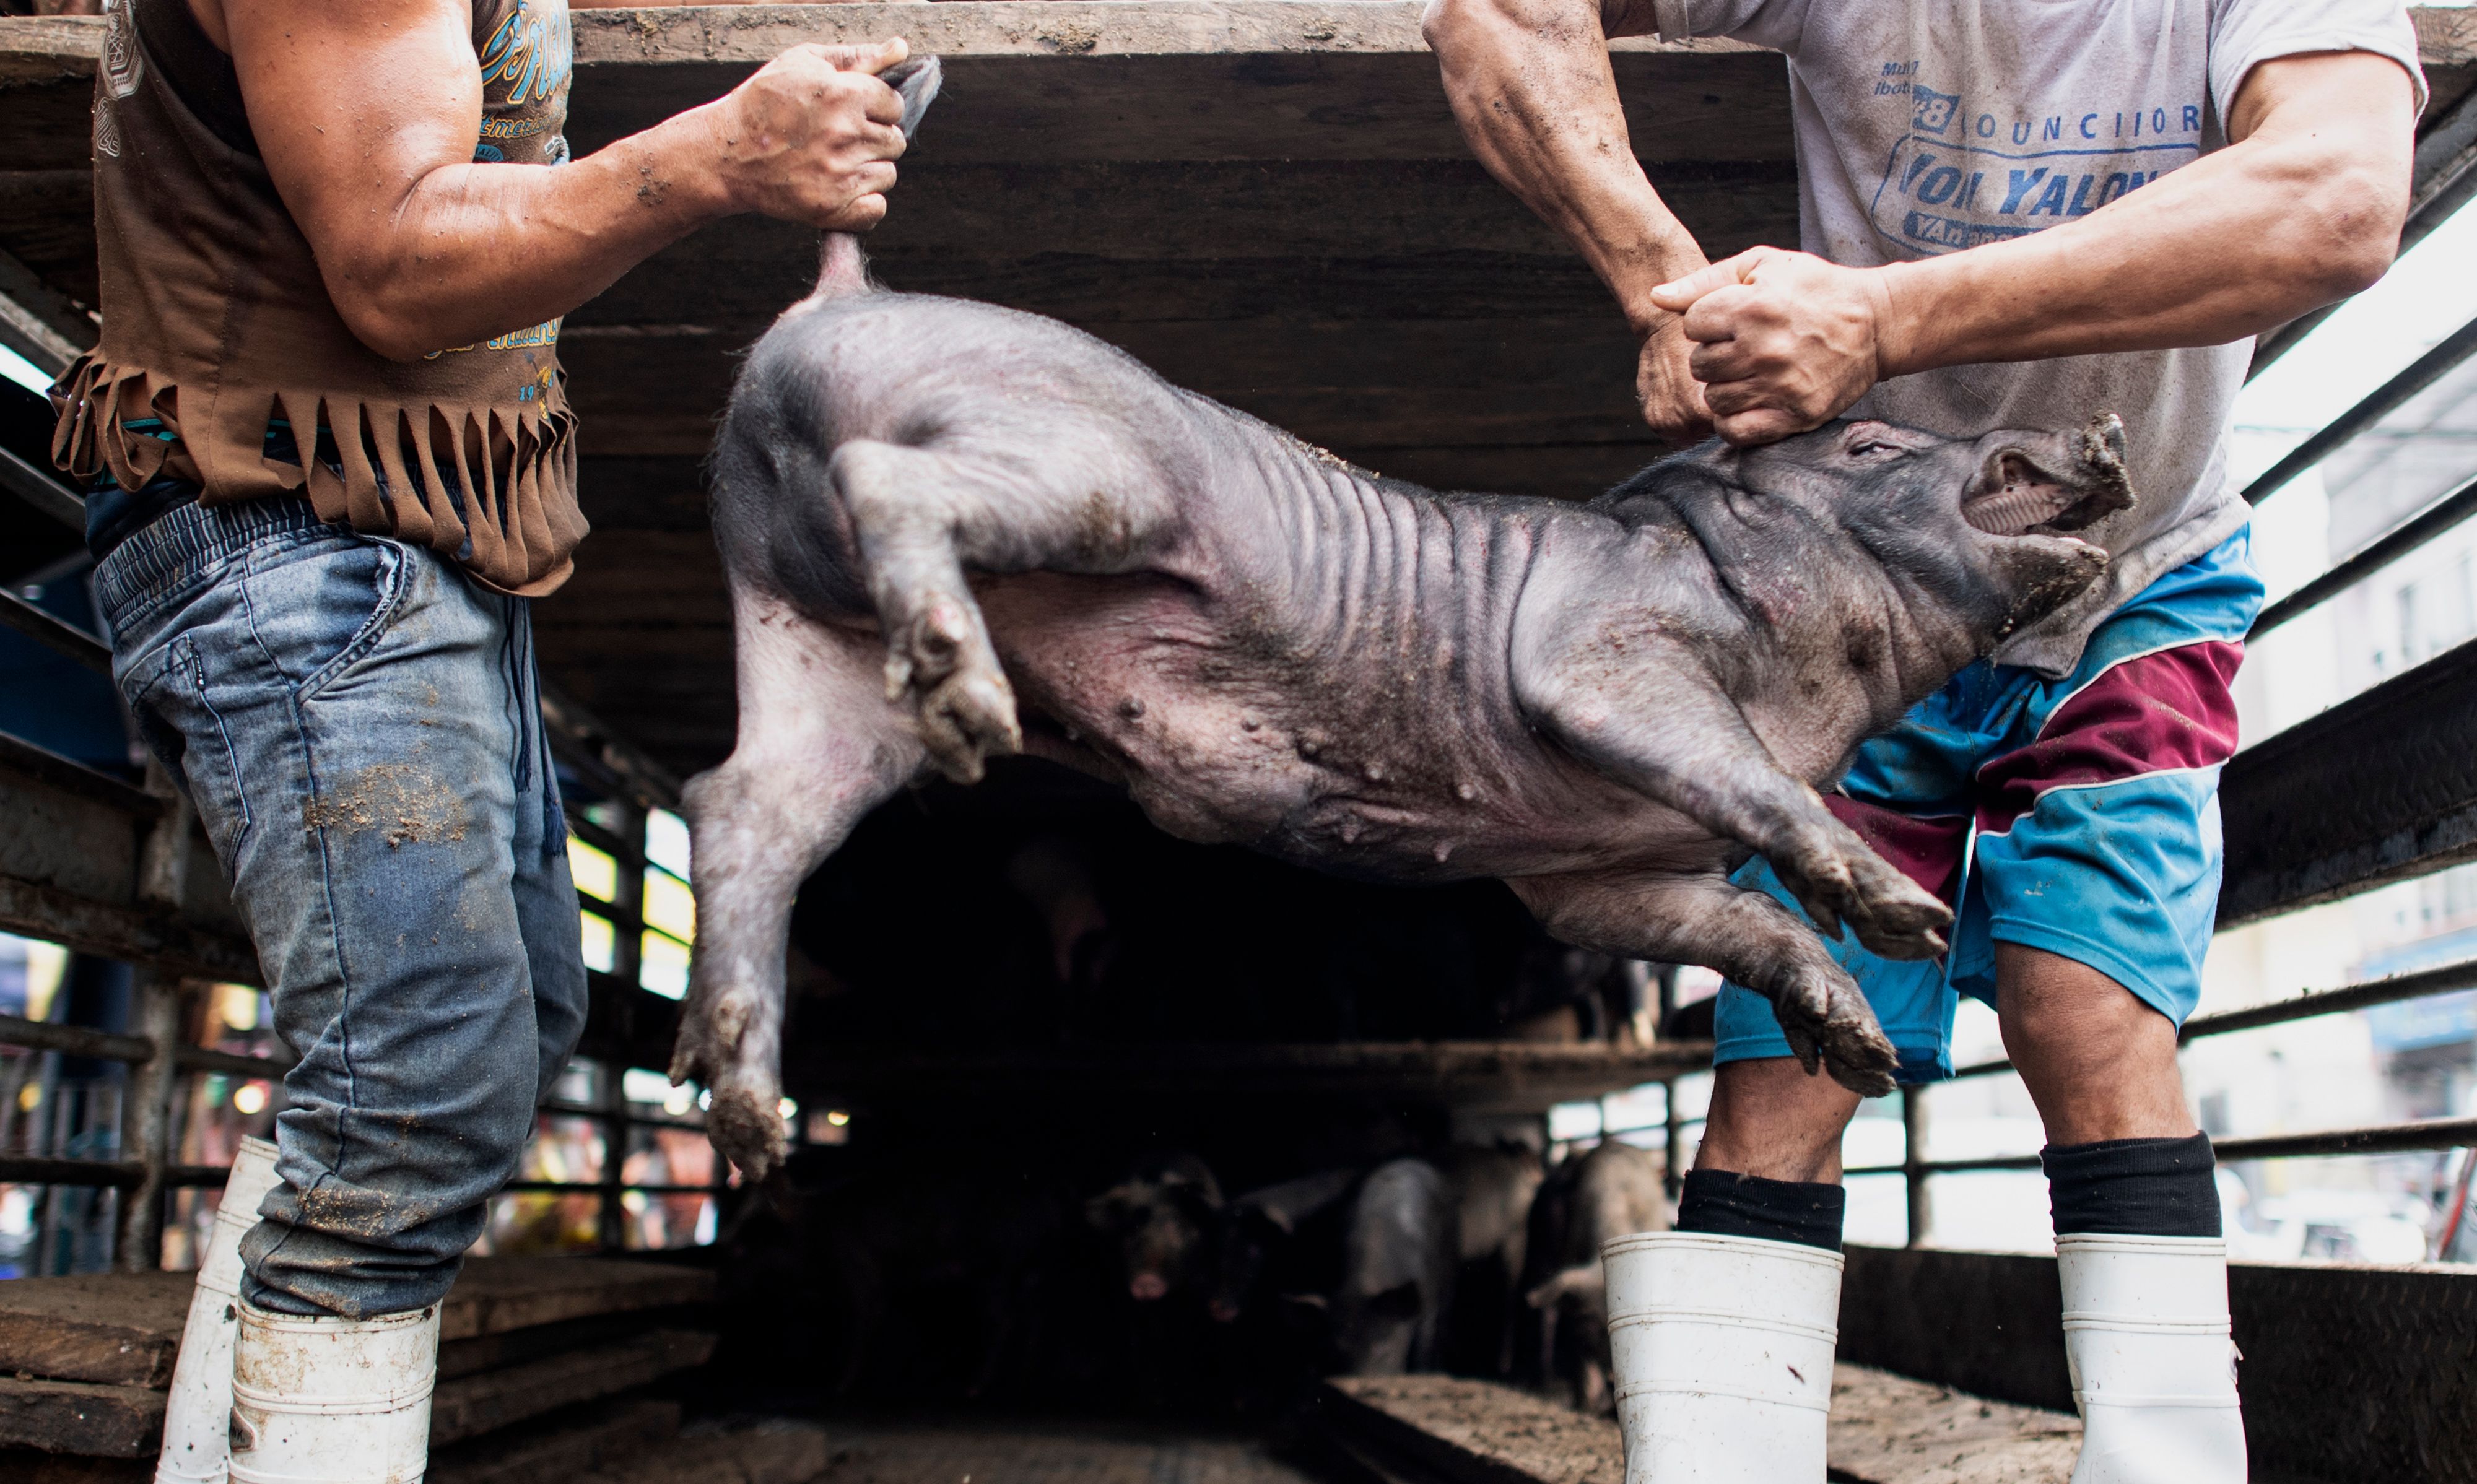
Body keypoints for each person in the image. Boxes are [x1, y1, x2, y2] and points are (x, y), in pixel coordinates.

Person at [1421, 1, 2421, 1478]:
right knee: (1793, 1048)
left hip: (2128, 571)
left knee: (2083, 1010)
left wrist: (1882, 320)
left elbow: (2335, 199)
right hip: (1854, 589)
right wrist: (1664, 292)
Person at [51, 0, 912, 1477]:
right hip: (297, 536)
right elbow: (391, 260)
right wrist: (727, 151)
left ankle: (235, 1452)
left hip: (393, 538)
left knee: (495, 1046)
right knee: (410, 1096)